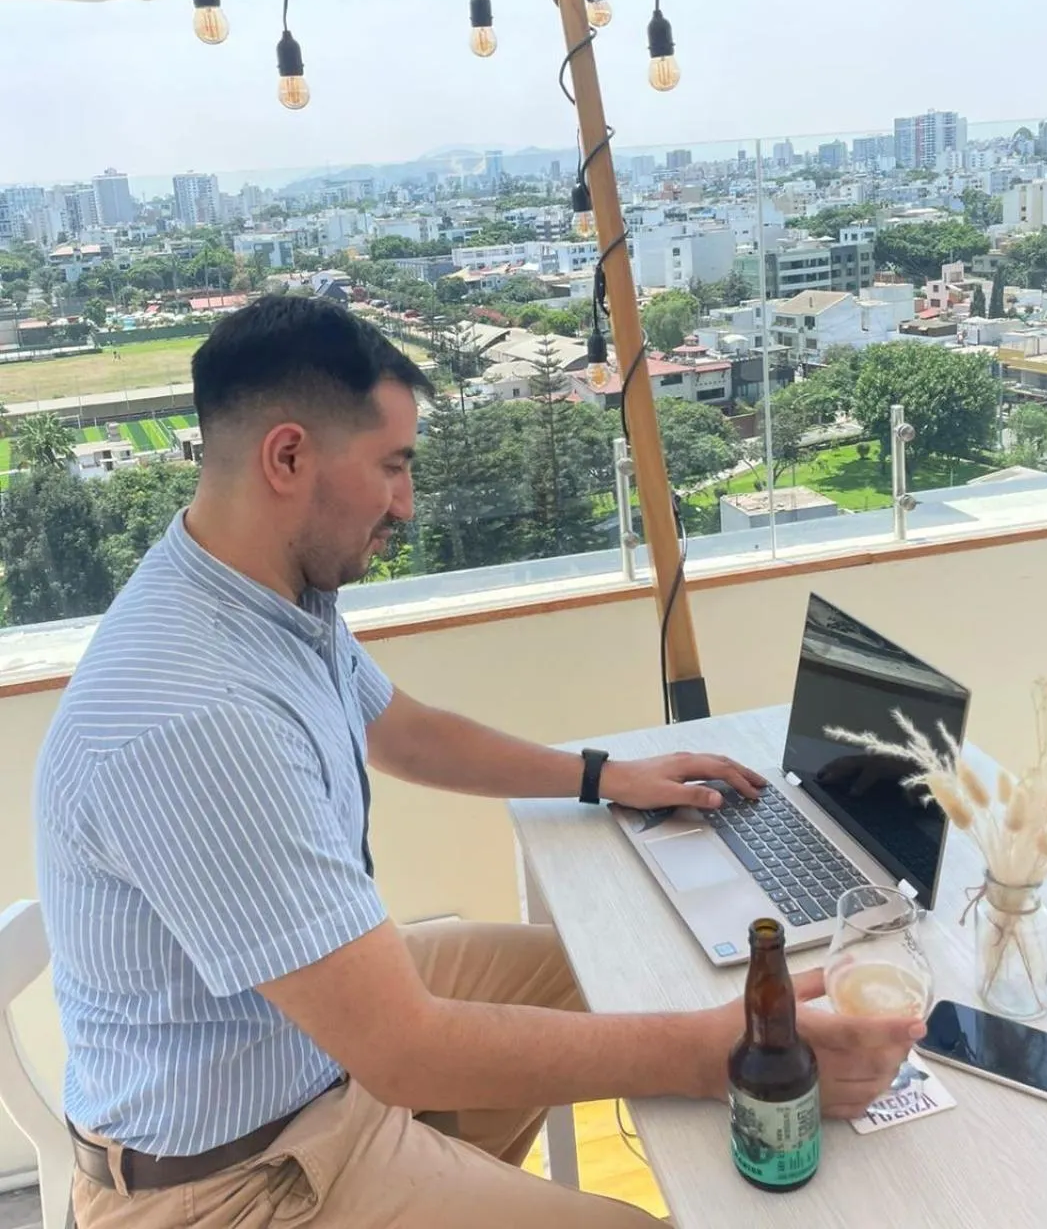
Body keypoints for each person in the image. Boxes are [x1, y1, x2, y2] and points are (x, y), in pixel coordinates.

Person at [35, 296, 922, 1229]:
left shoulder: (256, 594)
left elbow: (402, 728)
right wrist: (716, 1057)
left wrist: (603, 775)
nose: (406, 506)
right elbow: (406, 1050)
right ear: (287, 457)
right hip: (247, 1177)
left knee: (605, 974)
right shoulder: (200, 717)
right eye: (392, 466)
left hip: (307, 1054)